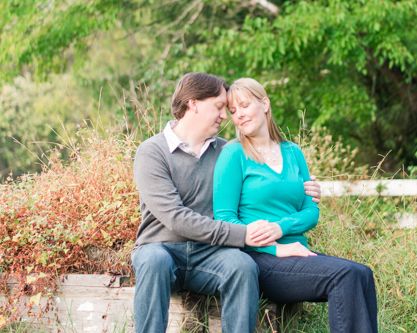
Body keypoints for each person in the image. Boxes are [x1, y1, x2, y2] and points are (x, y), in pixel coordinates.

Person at [132, 73, 322, 333]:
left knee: (242, 266)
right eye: (220, 107)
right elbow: (175, 218)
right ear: (194, 104)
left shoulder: (227, 151)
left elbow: (271, 180)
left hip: (209, 253)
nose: (226, 116)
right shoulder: (152, 151)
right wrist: (244, 235)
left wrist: (305, 188)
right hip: (162, 249)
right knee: (153, 261)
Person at [213, 78, 378, 333]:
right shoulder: (234, 154)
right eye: (233, 111)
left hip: (297, 252)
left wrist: (281, 227)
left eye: (245, 105)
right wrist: (274, 245)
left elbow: (311, 212)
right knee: (343, 275)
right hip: (260, 259)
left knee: (363, 274)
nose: (239, 115)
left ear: (265, 104)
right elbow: (224, 219)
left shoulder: (293, 152)